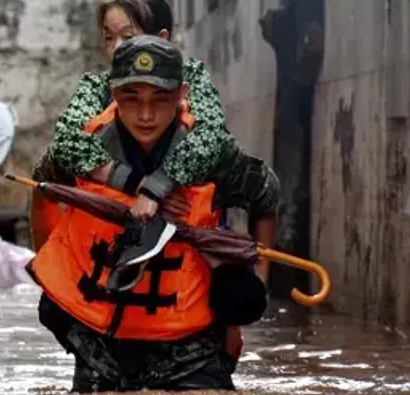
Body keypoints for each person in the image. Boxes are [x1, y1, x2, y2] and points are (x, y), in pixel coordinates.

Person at [28, 35, 276, 392]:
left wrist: (246, 300)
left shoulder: (209, 154)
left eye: (160, 100)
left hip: (190, 345)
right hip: (102, 341)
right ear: (113, 93)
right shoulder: (84, 148)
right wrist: (52, 266)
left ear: (180, 94)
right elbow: (41, 188)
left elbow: (266, 196)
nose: (146, 115)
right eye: (132, 98)